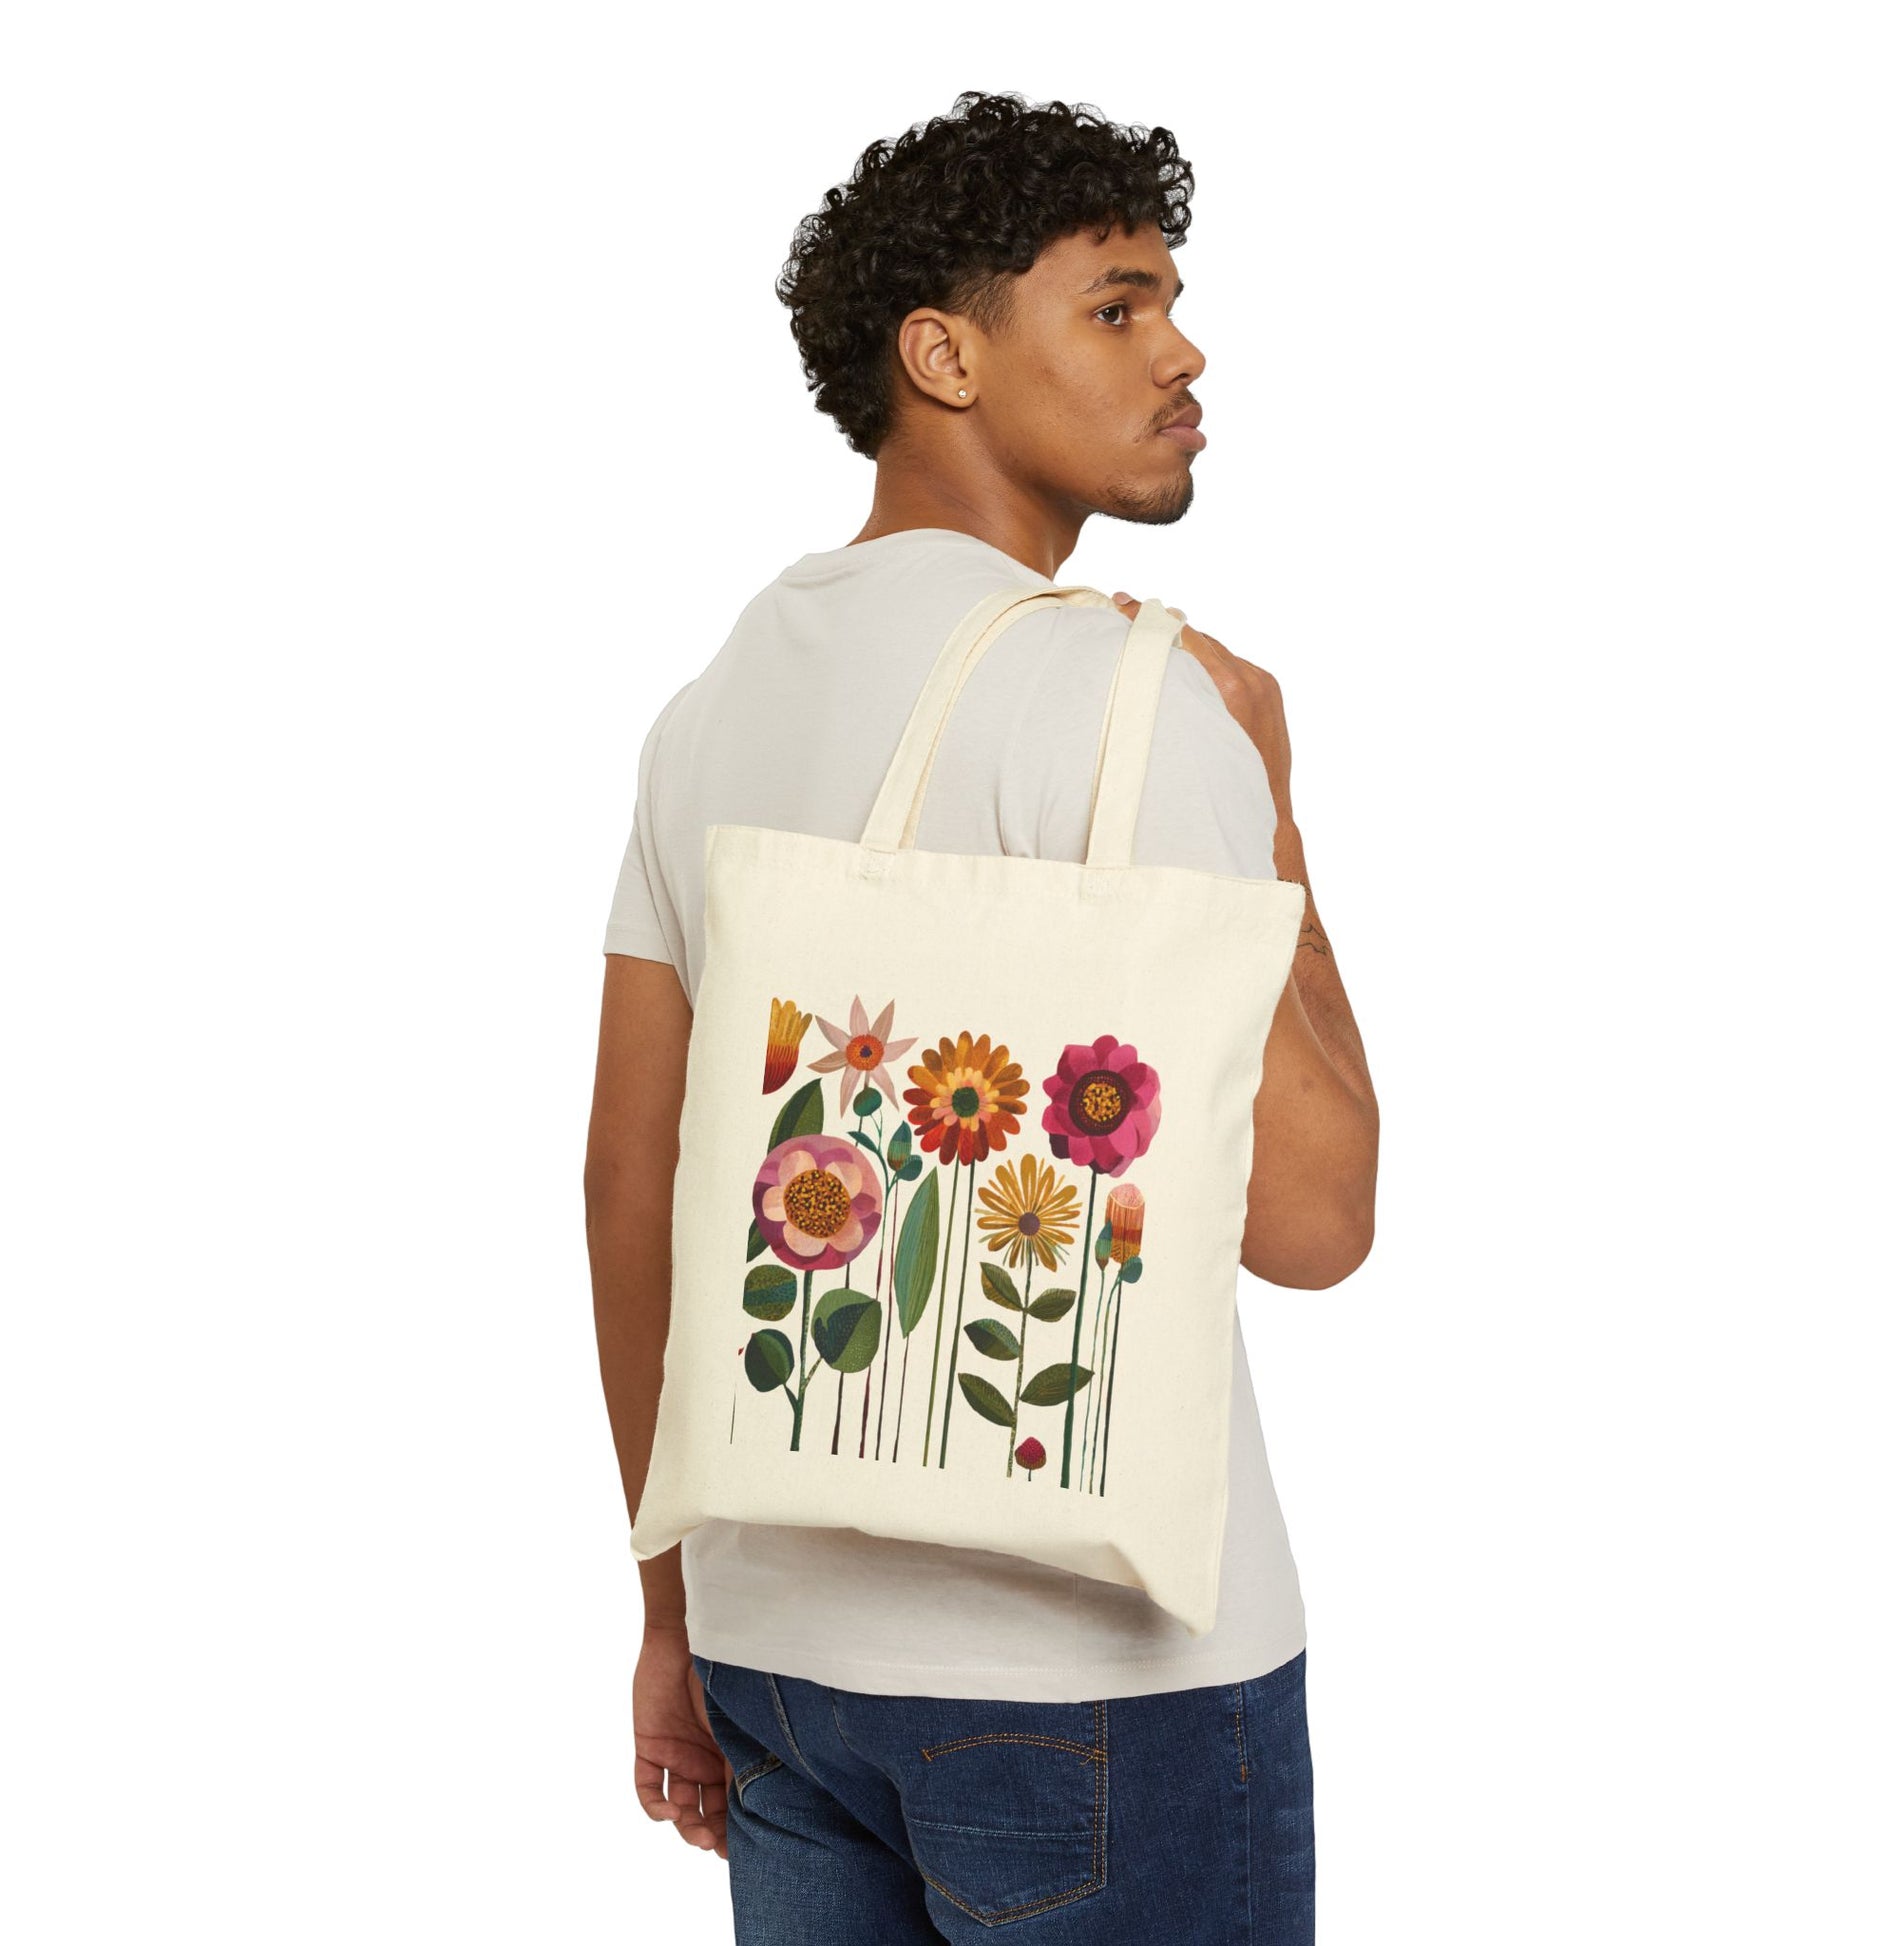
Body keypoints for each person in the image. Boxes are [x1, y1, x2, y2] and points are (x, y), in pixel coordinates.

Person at [584, 89, 1379, 1942]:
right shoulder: (1128, 699)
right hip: (1103, 1680)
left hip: (776, 1662)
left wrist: (667, 1611)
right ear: (939, 353)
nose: (1181, 351)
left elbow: (635, 1179)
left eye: (1171, 297)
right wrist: (1266, 802)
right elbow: (1319, 1226)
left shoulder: (704, 711)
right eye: (1115, 305)